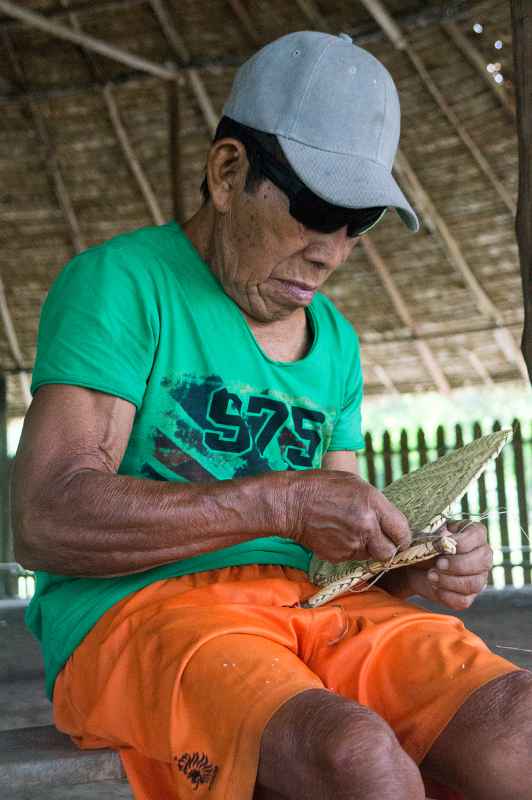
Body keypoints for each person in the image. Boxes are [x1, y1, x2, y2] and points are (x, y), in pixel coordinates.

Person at [12, 31, 531, 800]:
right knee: (356, 761)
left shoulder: (338, 344)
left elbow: (339, 558)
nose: (334, 251)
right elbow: (47, 517)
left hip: (313, 610)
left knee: (518, 726)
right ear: (228, 172)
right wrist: (282, 500)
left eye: (360, 221)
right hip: (139, 617)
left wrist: (412, 566)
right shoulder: (121, 285)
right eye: (317, 208)